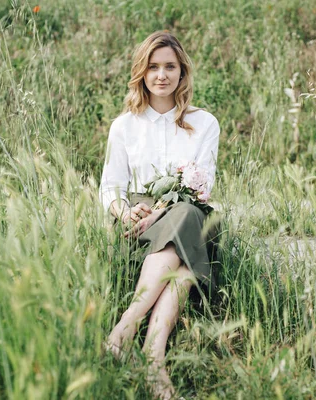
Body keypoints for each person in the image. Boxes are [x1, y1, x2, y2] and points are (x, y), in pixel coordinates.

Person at [99, 31, 220, 400]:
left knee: (185, 215)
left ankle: (123, 332)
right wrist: (127, 213)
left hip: (191, 212)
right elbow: (110, 189)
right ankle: (154, 359)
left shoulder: (205, 123)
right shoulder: (125, 126)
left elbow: (201, 187)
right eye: (153, 67)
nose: (161, 75)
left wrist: (164, 211)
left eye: (170, 66)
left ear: (182, 73)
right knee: (182, 264)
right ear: (142, 73)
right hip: (138, 222)